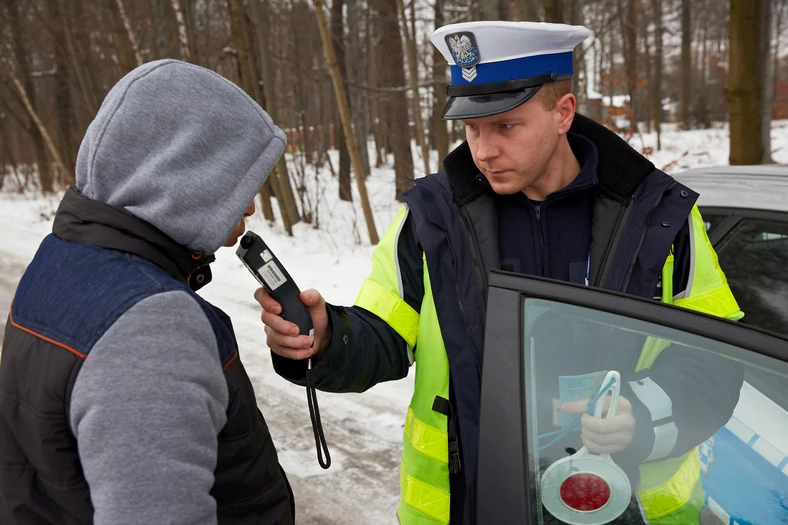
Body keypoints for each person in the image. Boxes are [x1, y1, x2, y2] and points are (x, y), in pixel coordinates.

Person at [257, 22, 743, 525]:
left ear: (563, 113)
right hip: (474, 505)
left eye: (505, 126)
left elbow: (714, 360)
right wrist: (328, 337)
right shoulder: (430, 219)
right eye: (471, 129)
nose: (483, 151)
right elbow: (386, 336)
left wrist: (639, 416)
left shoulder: (659, 218)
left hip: (625, 509)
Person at [0, 60, 294, 524]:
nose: (252, 205)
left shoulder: (63, 259)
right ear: (184, 175)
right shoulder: (152, 325)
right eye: (237, 181)